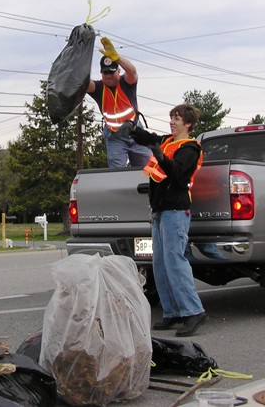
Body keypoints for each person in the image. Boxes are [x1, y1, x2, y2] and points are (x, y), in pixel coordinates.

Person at [122, 104, 207, 337]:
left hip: (175, 211)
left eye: (176, 118)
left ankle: (193, 312)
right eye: (171, 117)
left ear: (187, 124)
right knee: (160, 264)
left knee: (175, 261)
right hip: (159, 210)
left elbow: (179, 176)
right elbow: (149, 138)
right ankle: (172, 313)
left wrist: (160, 156)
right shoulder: (167, 141)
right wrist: (131, 129)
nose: (172, 121)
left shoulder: (189, 148)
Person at [87, 37, 151, 168]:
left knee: (148, 171)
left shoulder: (126, 82)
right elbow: (82, 82)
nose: (109, 76)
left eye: (112, 72)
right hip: (115, 137)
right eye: (105, 73)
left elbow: (132, 71)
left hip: (135, 132)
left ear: (118, 71)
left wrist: (117, 58)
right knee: (117, 174)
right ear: (101, 73)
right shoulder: (98, 88)